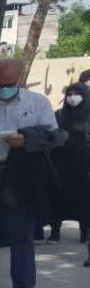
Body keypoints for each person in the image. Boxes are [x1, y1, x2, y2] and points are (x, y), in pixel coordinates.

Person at [0, 58, 64, 288]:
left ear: (21, 79)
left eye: (9, 84)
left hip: (22, 177)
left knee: (21, 235)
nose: (3, 89)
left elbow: (54, 136)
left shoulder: (37, 103)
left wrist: (25, 139)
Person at [55, 83, 90, 247]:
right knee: (59, 196)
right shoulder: (59, 115)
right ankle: (55, 230)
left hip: (84, 164)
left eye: (77, 93)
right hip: (62, 163)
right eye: (69, 94)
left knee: (84, 198)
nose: (72, 97)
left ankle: (85, 231)